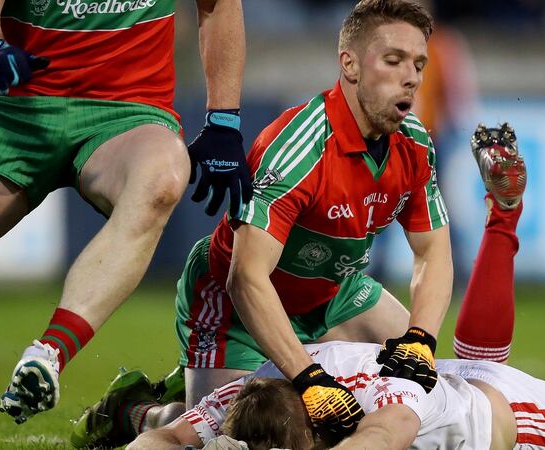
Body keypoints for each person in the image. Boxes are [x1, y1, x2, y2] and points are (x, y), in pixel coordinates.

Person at [127, 123, 545, 450]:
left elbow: (386, 435)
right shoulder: (241, 402)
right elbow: (176, 439)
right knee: (474, 364)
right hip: (443, 379)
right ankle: (504, 216)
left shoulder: (382, 407)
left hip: (507, 417)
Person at [70, 0, 452, 447]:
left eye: (419, 64)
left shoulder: (414, 143)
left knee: (418, 381)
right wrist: (309, 378)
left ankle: (198, 385)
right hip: (237, 307)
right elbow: (246, 277)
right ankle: (137, 411)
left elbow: (432, 252)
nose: (411, 77)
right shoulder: (301, 147)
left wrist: (422, 339)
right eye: (394, 60)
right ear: (349, 64)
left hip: (334, 292)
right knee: (250, 432)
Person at [0, 0, 252, 424]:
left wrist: (223, 119)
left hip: (128, 110)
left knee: (163, 176)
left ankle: (49, 354)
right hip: (14, 107)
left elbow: (218, 5)